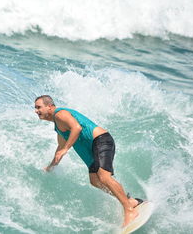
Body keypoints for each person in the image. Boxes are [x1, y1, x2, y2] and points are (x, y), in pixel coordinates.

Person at [34, 95, 143, 227]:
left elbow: (77, 128)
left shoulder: (60, 114)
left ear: (49, 106)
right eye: (35, 108)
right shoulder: (58, 125)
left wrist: (66, 149)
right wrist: (50, 166)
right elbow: (60, 147)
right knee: (95, 181)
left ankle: (129, 210)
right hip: (93, 150)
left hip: (101, 141)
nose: (36, 110)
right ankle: (129, 201)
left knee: (104, 177)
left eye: (38, 107)